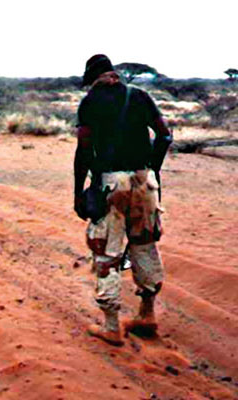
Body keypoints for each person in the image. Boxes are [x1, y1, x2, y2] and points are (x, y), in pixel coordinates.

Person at [74, 54, 173, 346]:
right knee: (144, 245)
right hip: (145, 181)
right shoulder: (140, 96)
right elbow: (165, 136)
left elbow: (83, 151)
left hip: (111, 184)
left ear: (93, 79)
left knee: (107, 251)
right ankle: (146, 315)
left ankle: (111, 326)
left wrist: (79, 191)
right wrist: (151, 169)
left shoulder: (91, 102)